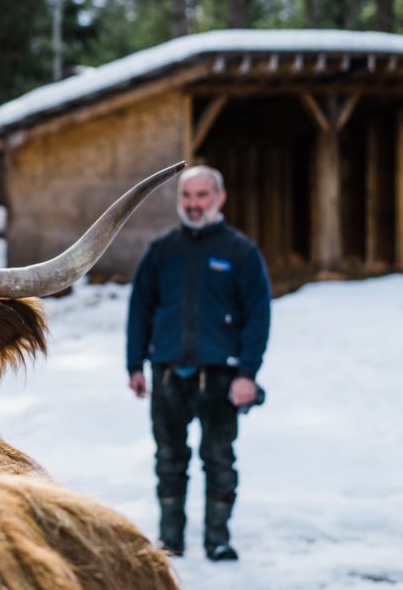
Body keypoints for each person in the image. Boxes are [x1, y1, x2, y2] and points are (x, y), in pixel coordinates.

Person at [126, 165, 271, 562]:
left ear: (220, 198)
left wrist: (247, 374)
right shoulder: (161, 251)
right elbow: (140, 310)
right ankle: (170, 540)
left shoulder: (240, 253)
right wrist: (135, 364)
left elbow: (258, 317)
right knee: (169, 459)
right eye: (187, 197)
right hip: (169, 373)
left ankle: (217, 540)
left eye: (202, 196)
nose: (193, 205)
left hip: (220, 375)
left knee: (219, 458)